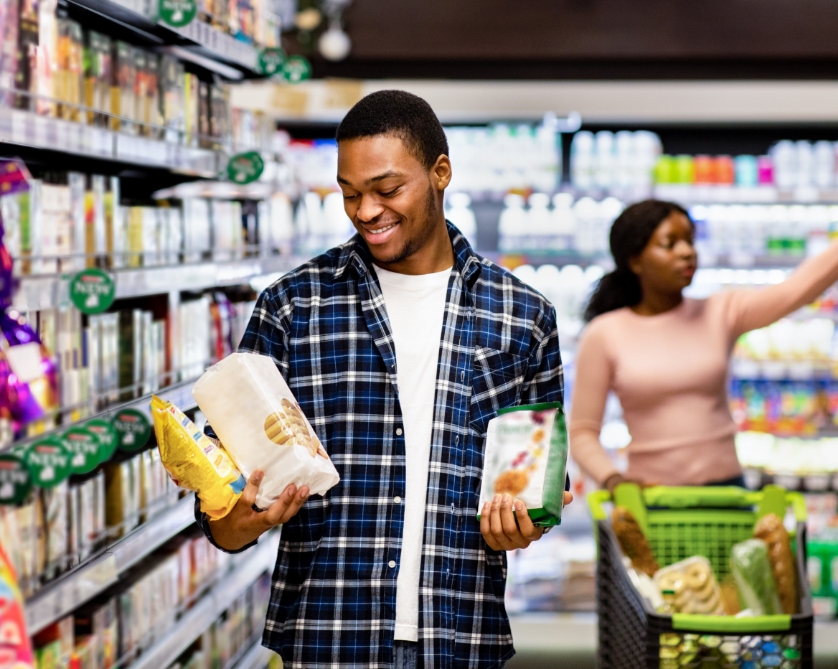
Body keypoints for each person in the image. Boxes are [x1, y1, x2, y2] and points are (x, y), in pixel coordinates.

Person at [194, 90, 571, 669]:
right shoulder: (294, 307)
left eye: (388, 190)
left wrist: (522, 525)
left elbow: (539, 484)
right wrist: (241, 518)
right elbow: (222, 509)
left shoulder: (523, 316)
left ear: (440, 172)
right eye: (350, 194)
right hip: (326, 637)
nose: (366, 210)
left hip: (461, 634)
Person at [569, 195, 838, 492]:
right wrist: (613, 479)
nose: (687, 252)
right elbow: (583, 431)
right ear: (635, 261)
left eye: (690, 241)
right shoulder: (605, 333)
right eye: (669, 244)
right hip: (649, 498)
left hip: (727, 490)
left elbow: (795, 290)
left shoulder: (720, 312)